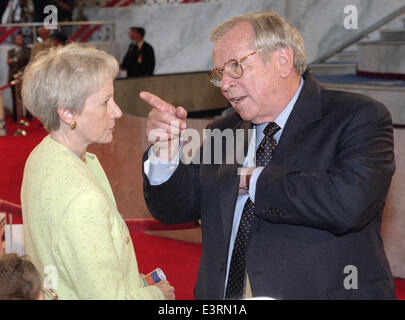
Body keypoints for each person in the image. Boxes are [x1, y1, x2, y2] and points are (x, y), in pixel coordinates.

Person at [141, 10, 396, 300]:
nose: (225, 84)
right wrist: (164, 153)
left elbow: (348, 204)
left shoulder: (357, 116)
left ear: (282, 60)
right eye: (219, 74)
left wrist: (253, 179)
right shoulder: (222, 132)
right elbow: (175, 209)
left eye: (235, 66)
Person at [20, 43, 174, 300]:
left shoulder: (41, 155)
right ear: (68, 113)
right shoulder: (82, 200)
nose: (117, 112)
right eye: (105, 102)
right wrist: (156, 295)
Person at [7, 32, 31, 122]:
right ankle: (15, 117)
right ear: (14, 40)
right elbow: (8, 62)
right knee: (15, 98)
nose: (21, 40)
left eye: (21, 39)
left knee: (25, 97)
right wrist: (13, 61)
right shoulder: (11, 51)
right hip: (13, 77)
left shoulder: (27, 49)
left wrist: (14, 60)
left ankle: (29, 116)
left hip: (24, 77)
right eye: (18, 39)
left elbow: (25, 60)